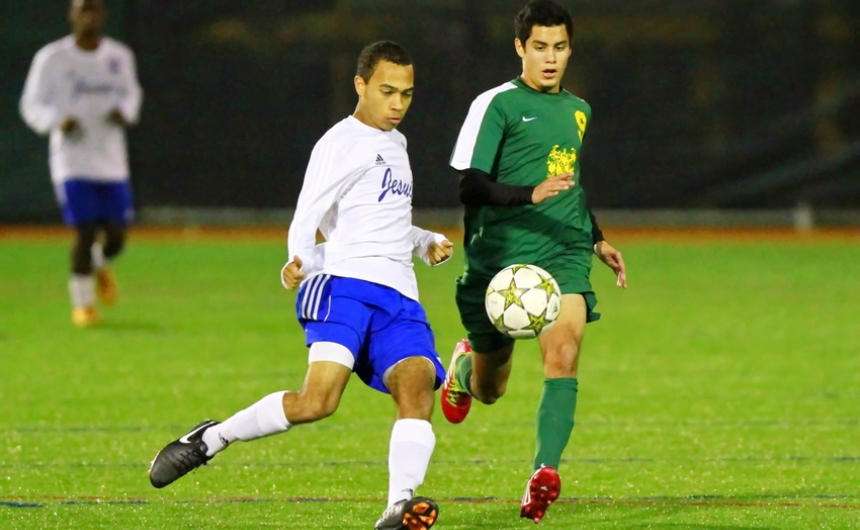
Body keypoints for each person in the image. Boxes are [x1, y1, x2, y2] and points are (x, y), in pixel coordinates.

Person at [148, 41, 451, 530]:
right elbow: (309, 213)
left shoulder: (398, 145)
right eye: (387, 91)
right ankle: (213, 438)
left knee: (418, 387)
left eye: (407, 94)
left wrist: (425, 241)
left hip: (400, 295)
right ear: (361, 85)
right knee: (317, 402)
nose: (398, 104)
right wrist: (300, 259)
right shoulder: (339, 142)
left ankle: (399, 506)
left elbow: (384, 223)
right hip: (345, 286)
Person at [440, 0, 628, 524]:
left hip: (563, 250)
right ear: (520, 48)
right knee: (491, 388)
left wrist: (596, 239)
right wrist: (528, 194)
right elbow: (470, 185)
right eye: (540, 47)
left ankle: (544, 473)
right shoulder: (496, 104)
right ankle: (462, 366)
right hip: (499, 258)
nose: (551, 58)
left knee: (563, 354)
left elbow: (568, 184)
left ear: (570, 49)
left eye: (560, 48)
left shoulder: (579, 110)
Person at [19, 0, 142, 327]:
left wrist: (125, 112)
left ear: (103, 15)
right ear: (71, 14)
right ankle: (83, 305)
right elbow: (32, 104)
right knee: (85, 231)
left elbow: (132, 95)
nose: (89, 15)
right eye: (83, 8)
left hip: (111, 159)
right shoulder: (52, 58)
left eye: (96, 9)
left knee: (116, 235)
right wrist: (55, 121)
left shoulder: (118, 56)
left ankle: (99, 263)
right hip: (71, 159)